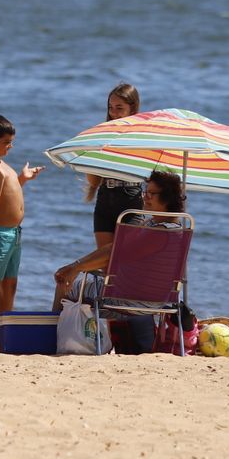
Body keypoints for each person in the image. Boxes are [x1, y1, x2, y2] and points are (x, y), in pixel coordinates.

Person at [52, 170, 188, 352]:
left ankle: (49, 338)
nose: (145, 197)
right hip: (161, 300)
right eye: (145, 192)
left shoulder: (157, 232)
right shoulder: (177, 230)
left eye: (151, 194)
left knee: (65, 283)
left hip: (129, 300)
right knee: (87, 277)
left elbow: (114, 253)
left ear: (168, 198)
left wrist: (75, 268)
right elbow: (119, 251)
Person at [0, 114, 41, 351]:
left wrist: (22, 178)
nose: (10, 146)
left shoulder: (3, 165)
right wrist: (3, 179)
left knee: (9, 288)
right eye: (6, 142)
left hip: (14, 233)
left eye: (11, 142)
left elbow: (8, 194)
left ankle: (4, 341)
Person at [83, 83, 143, 248]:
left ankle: (77, 267)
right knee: (105, 263)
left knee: (123, 258)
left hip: (130, 197)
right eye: (111, 107)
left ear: (132, 109)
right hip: (105, 197)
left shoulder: (141, 137)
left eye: (119, 107)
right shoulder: (102, 136)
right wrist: (90, 159)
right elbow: (94, 181)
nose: (113, 113)